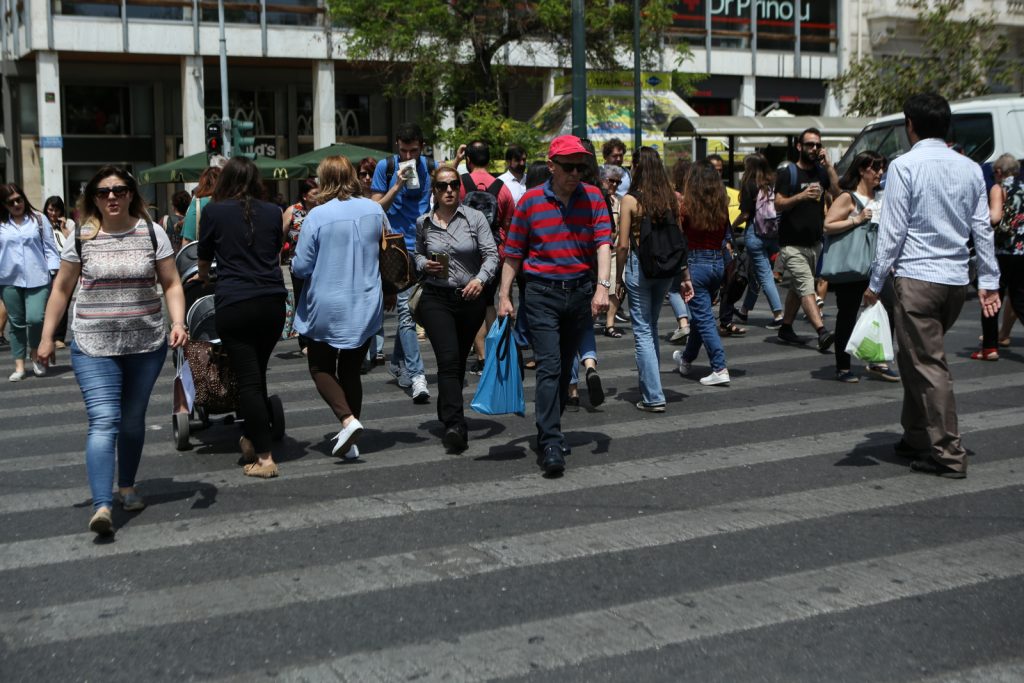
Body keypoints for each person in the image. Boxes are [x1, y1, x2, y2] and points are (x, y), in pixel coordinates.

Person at [36, 166, 187, 536]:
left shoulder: (153, 233)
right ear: (93, 199)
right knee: (105, 419)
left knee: (133, 420)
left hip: (145, 343)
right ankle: (102, 505)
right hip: (92, 344)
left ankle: (128, 486)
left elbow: (171, 282)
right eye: (103, 193)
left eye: (119, 190)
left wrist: (179, 322)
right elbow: (61, 289)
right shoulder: (82, 237)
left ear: (132, 194)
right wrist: (46, 335)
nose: (112, 197)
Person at [865, 92, 1001, 479]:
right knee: (913, 357)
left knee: (927, 364)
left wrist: (875, 282)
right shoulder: (970, 168)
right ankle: (916, 435)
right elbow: (982, 229)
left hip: (917, 278)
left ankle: (948, 452)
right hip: (956, 283)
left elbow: (891, 234)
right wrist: (989, 281)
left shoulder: (904, 166)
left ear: (911, 125)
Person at [497, 135, 612, 476]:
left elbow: (604, 242)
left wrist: (602, 288)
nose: (576, 173)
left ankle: (551, 426)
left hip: (579, 293)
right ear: (551, 166)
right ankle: (550, 440)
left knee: (564, 369)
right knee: (548, 366)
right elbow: (514, 253)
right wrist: (504, 296)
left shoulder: (592, 197)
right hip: (542, 294)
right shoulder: (530, 202)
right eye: (569, 167)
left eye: (581, 167)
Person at [292, 156, 390, 461]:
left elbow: (301, 265)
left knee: (320, 366)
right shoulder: (375, 209)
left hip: (329, 301)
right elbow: (391, 250)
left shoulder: (317, 216)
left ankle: (347, 421)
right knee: (351, 369)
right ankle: (351, 436)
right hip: (367, 299)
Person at [197, 157, 288, 478]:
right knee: (257, 374)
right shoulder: (274, 212)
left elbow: (204, 258)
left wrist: (206, 277)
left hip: (236, 302)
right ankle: (252, 436)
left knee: (248, 379)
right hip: (273, 303)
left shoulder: (213, 211)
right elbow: (274, 252)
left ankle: (264, 459)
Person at [415, 164, 499, 451]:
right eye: (442, 186)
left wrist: (480, 279)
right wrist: (423, 263)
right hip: (435, 298)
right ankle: (455, 424)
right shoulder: (423, 222)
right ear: (434, 191)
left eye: (453, 185)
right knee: (448, 360)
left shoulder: (474, 218)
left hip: (469, 299)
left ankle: (446, 408)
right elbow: (416, 254)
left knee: (459, 361)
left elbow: (491, 255)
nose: (449, 190)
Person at [616, 147, 689, 411]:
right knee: (653, 325)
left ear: (636, 167)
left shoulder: (630, 200)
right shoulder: (669, 197)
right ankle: (652, 386)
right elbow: (679, 237)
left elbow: (622, 246)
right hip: (665, 269)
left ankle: (653, 396)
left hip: (640, 267)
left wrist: (618, 278)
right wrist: (684, 274)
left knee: (643, 330)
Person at [371, 122, 433, 403]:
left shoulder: (428, 167)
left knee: (416, 309)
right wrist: (396, 184)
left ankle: (397, 363)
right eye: (405, 150)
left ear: (422, 147)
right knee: (407, 314)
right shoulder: (385, 167)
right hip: (395, 248)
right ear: (397, 145)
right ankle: (417, 375)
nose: (409, 156)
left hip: (423, 244)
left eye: (415, 151)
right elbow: (375, 208)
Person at [774, 127, 840, 351]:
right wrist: (801, 196)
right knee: (806, 285)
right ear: (799, 147)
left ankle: (786, 326)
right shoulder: (788, 173)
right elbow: (778, 203)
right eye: (810, 144)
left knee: (797, 287)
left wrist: (829, 166)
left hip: (814, 243)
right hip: (791, 244)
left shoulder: (821, 173)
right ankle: (822, 332)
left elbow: (837, 192)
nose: (814, 148)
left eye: (818, 145)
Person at [823, 151, 887, 382]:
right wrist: (856, 220)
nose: (880, 172)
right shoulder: (848, 198)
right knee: (848, 315)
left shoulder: (882, 196)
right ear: (862, 169)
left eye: (882, 168)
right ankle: (843, 365)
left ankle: (878, 361)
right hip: (852, 266)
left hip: (876, 265)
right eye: (875, 168)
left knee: (881, 312)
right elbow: (828, 225)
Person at [458, 140, 516, 375]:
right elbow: (508, 224)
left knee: (471, 303)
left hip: (466, 253)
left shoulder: (459, 184)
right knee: (489, 302)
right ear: (490, 160)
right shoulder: (502, 188)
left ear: (468, 160)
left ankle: (480, 356)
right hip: (494, 252)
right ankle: (492, 355)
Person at [671, 162, 730, 386]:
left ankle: (720, 366)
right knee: (700, 313)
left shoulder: (686, 206)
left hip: (696, 262)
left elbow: (679, 235)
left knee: (703, 318)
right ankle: (686, 359)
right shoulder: (721, 205)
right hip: (717, 262)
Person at [0, 183, 60, 381]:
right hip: (9, 278)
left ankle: (35, 355)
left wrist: (53, 272)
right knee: (16, 323)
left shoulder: (39, 219)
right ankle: (19, 365)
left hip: (38, 277)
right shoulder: (1, 223)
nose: (17, 204)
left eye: (20, 199)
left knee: (35, 319)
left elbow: (50, 248)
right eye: (11, 202)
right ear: (4, 205)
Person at [973, 153, 1022, 360]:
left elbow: (995, 217)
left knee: (992, 296)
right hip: (1022, 251)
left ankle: (990, 347)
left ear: (1000, 172)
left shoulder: (997, 188)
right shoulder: (1022, 188)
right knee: (1020, 298)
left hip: (1002, 251)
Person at [732, 154, 784, 328]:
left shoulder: (749, 185)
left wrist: (732, 225)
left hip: (755, 235)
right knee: (754, 276)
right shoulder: (772, 184)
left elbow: (746, 214)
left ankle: (778, 314)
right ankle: (745, 311)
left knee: (765, 276)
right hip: (772, 234)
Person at [282, 178, 318, 353]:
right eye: (314, 193)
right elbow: (280, 236)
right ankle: (304, 341)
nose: (318, 196)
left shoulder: (321, 210)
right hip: (298, 262)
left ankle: (317, 337)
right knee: (301, 298)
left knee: (316, 300)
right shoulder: (293, 211)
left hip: (319, 263)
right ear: (305, 196)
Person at [43, 195, 77, 349]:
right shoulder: (41, 223)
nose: (53, 213)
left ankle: (59, 337)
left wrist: (64, 230)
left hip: (65, 267)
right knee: (47, 302)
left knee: (64, 301)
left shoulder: (69, 224)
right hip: (46, 267)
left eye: (56, 209)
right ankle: (46, 335)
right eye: (50, 209)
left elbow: (75, 243)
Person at [600, 164, 625, 336]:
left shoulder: (620, 201)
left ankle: (610, 323)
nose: (614, 185)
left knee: (616, 287)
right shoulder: (597, 198)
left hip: (615, 250)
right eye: (611, 181)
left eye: (618, 182)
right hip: (599, 251)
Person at [179, 165, 220, 245]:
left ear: (202, 183)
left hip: (204, 256)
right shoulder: (231, 203)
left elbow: (187, 241)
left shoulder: (197, 203)